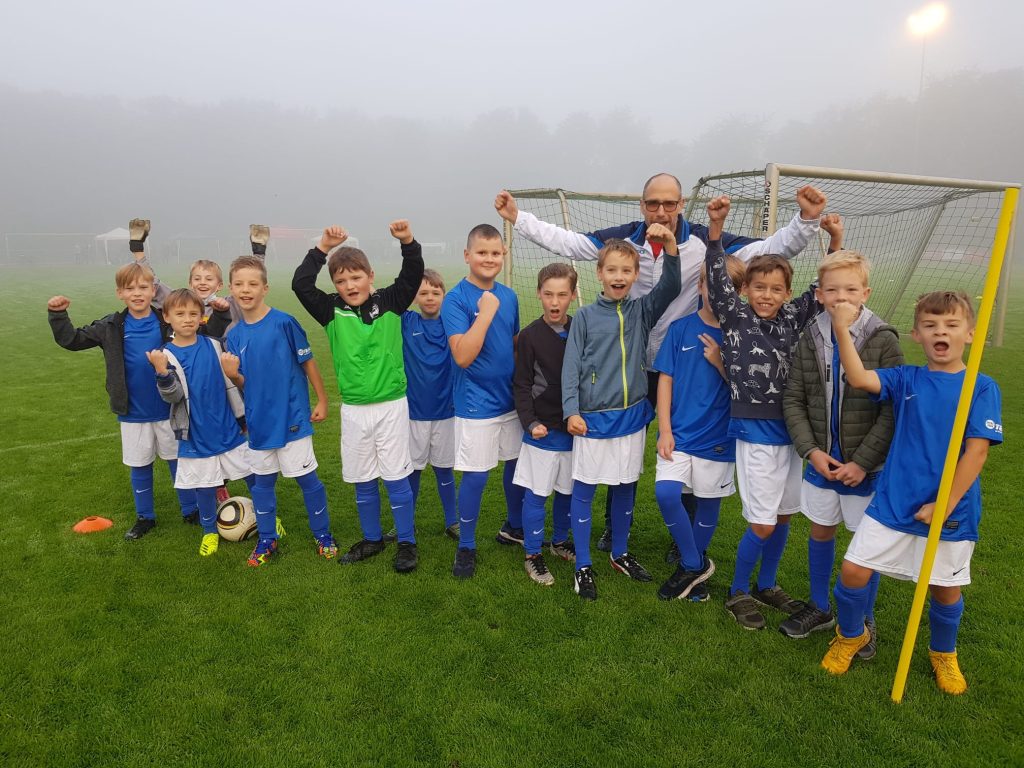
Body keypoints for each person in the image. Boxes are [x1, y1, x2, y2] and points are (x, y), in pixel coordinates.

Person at [496, 176, 827, 552]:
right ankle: (614, 530)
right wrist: (519, 218)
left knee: (686, 444)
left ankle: (683, 538)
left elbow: (768, 249)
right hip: (628, 370)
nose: (661, 211)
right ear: (642, 205)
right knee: (624, 447)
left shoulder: (701, 240)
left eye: (669, 203)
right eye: (653, 203)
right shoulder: (623, 239)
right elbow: (569, 241)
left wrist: (806, 221)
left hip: (684, 364)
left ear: (681, 204)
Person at [820, 291, 1001, 695]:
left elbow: (977, 452)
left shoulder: (981, 387)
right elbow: (859, 378)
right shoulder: (907, 379)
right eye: (930, 326)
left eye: (951, 325)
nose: (941, 332)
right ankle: (851, 636)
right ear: (916, 334)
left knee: (944, 588)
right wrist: (841, 328)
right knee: (853, 570)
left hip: (951, 508)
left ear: (970, 334)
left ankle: (944, 654)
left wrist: (944, 504)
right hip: (894, 500)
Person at [702, 194, 827, 630]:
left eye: (776, 289)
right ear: (746, 290)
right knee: (761, 523)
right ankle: (737, 591)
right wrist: (716, 229)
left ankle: (766, 584)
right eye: (759, 287)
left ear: (787, 293)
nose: (767, 295)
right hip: (756, 434)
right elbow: (716, 276)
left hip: (793, 432)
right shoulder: (735, 316)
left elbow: (824, 289)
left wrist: (834, 241)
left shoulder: (793, 318)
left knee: (785, 515)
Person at [46, 247, 231, 538]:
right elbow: (73, 339)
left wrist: (220, 313)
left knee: (178, 461)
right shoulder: (111, 326)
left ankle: (190, 510)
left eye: (143, 287)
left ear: (153, 290)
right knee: (140, 465)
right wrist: (58, 315)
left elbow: (205, 335)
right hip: (133, 412)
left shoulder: (166, 320)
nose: (137, 293)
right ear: (120, 293)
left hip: (171, 409)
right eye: (130, 288)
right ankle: (145, 517)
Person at [780, 250, 903, 652]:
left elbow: (893, 409)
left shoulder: (882, 338)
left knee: (865, 544)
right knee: (820, 530)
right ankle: (820, 606)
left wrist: (862, 462)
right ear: (819, 294)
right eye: (832, 290)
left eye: (850, 290)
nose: (841, 298)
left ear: (865, 293)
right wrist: (811, 451)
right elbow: (794, 399)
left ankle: (862, 618)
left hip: (866, 469)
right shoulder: (811, 334)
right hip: (822, 463)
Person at [292, 221, 424, 573]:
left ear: (370, 276)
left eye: (356, 277)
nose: (350, 286)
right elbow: (301, 284)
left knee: (395, 476)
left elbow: (412, 273)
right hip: (354, 410)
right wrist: (322, 247)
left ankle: (407, 542)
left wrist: (407, 242)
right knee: (362, 477)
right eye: (341, 281)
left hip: (391, 405)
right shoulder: (330, 310)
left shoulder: (391, 302)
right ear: (335, 285)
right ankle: (372, 538)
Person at [562, 231, 681, 600]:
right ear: (599, 273)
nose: (618, 276)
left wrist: (672, 247)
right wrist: (570, 411)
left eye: (626, 270)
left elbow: (671, 287)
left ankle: (620, 553)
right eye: (612, 270)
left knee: (626, 486)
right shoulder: (584, 317)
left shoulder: (641, 311)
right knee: (585, 490)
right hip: (593, 420)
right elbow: (570, 368)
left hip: (631, 419)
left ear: (635, 274)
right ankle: (583, 564)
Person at [220, 256, 336, 567]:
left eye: (252, 284)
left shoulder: (284, 323)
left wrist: (322, 400)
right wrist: (233, 375)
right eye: (239, 284)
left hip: (292, 419)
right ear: (231, 289)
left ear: (265, 288)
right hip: (259, 423)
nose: (246, 289)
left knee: (308, 481)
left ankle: (323, 535)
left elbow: (307, 362)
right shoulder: (234, 335)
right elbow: (246, 384)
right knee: (262, 485)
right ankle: (267, 539)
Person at [652, 253, 746, 601]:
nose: (719, 295)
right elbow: (665, 380)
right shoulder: (681, 329)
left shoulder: (742, 335)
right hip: (678, 435)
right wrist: (665, 430)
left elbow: (747, 389)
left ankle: (692, 574)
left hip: (718, 438)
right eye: (713, 286)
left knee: (707, 503)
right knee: (666, 493)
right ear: (700, 286)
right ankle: (694, 564)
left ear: (740, 293)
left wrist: (721, 363)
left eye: (729, 289)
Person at [146, 288, 256, 557]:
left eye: (193, 314)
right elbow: (172, 396)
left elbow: (233, 381)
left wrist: (241, 417)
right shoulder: (166, 355)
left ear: (201, 317)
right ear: (167, 317)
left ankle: (268, 520)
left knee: (253, 476)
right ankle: (209, 532)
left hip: (227, 428)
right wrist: (161, 371)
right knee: (205, 487)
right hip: (195, 434)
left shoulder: (215, 345)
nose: (187, 319)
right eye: (180, 314)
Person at [441, 224, 523, 578]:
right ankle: (467, 545)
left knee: (517, 466)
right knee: (476, 475)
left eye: (495, 253)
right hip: (476, 404)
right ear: (467, 255)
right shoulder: (456, 299)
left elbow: (514, 344)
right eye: (481, 252)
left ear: (503, 255)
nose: (489, 259)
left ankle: (514, 526)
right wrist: (486, 312)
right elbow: (462, 356)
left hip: (511, 400)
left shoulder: (510, 296)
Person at [512, 262, 580, 586]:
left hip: (573, 431)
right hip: (542, 431)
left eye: (562, 295)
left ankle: (560, 541)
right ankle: (533, 554)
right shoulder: (529, 336)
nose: (555, 302)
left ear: (573, 295)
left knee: (567, 491)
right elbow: (522, 385)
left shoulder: (580, 329)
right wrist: (530, 422)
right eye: (549, 294)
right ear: (539, 293)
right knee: (537, 495)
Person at [402, 269, 459, 539]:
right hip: (413, 413)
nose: (429, 297)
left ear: (444, 296)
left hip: (446, 412)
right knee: (411, 469)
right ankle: (406, 522)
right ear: (414, 297)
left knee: (444, 468)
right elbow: (390, 299)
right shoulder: (406, 321)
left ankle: (452, 521)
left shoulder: (452, 324)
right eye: (423, 293)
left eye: (436, 293)